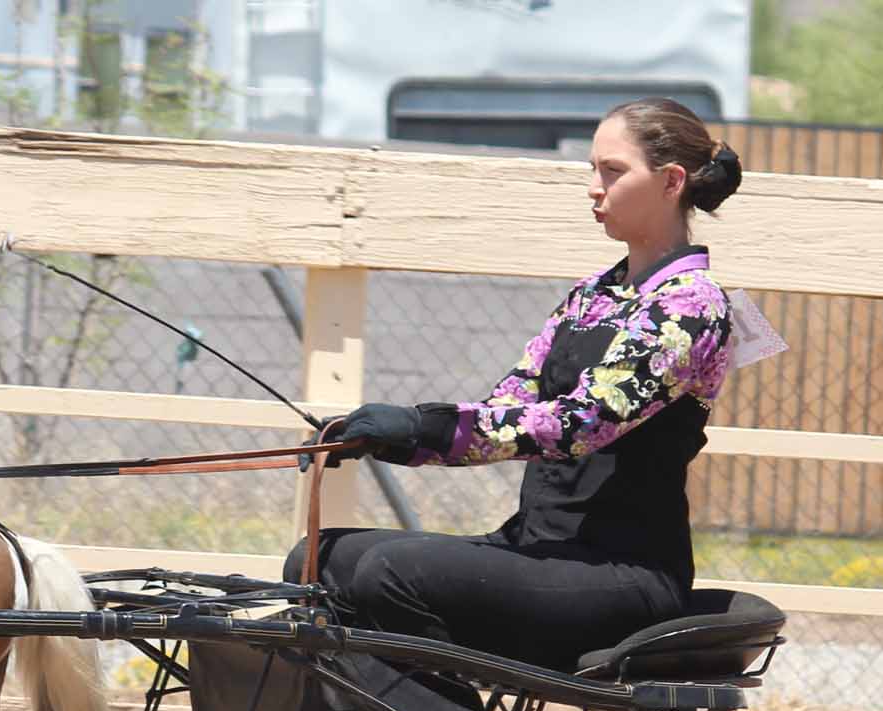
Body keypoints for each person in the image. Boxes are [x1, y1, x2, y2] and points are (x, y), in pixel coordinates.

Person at [284, 97, 744, 673]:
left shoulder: (692, 307)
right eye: (594, 169)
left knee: (386, 574)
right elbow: (509, 404)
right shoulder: (593, 295)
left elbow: (581, 423)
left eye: (613, 171)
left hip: (621, 573)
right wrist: (390, 437)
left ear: (671, 181)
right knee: (320, 559)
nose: (594, 188)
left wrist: (423, 426)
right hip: (539, 549)